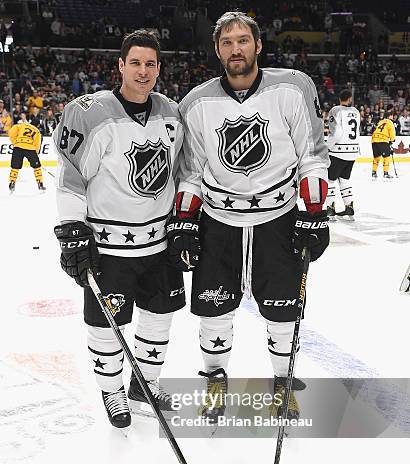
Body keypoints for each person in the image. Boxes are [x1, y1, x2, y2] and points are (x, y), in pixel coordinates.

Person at [167, 12, 329, 421]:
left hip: (278, 217)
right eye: (227, 42)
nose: (235, 48)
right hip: (219, 220)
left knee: (283, 308)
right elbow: (190, 171)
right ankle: (215, 378)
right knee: (214, 308)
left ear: (258, 45)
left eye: (243, 40)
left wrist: (315, 214)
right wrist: (185, 222)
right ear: (217, 49)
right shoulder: (197, 101)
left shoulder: (293, 88)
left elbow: (311, 157)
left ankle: (282, 381)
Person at [53, 30, 184, 428]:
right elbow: (71, 176)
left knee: (159, 319)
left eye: (150, 64)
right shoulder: (89, 111)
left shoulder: (171, 113)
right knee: (107, 325)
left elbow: (178, 172)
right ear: (121, 66)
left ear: (159, 69)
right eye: (136, 63)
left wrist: (184, 222)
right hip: (110, 247)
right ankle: (112, 390)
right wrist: (73, 230)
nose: (143, 71)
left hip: (158, 243)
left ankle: (144, 384)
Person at [325, 89, 361, 220]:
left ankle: (330, 208)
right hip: (352, 152)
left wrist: (326, 147)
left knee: (330, 180)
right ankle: (349, 207)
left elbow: (337, 133)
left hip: (338, 152)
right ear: (350, 99)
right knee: (344, 180)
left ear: (340, 99)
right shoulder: (356, 112)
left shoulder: (335, 110)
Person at [8, 118, 46, 193]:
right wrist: (36, 153)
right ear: (38, 125)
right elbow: (37, 143)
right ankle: (40, 183)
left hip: (18, 147)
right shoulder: (37, 131)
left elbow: (12, 131)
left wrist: (15, 142)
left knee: (15, 167)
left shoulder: (22, 125)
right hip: (30, 148)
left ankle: (12, 182)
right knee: (37, 167)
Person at [371, 108, 396, 180]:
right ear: (389, 116)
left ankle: (374, 172)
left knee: (376, 157)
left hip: (374, 140)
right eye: (392, 115)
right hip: (383, 140)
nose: (393, 117)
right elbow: (392, 133)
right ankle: (385, 173)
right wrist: (392, 140)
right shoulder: (390, 122)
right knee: (386, 157)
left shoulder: (380, 122)